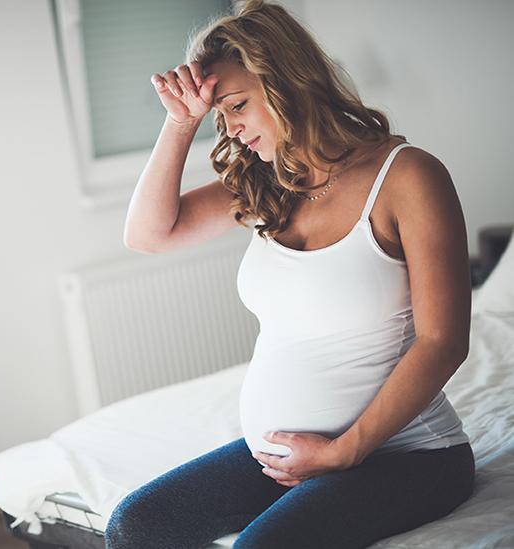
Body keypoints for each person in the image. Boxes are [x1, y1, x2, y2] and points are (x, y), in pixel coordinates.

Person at [107, 1, 475, 547]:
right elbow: (147, 235)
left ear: (287, 83)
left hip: (409, 455)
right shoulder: (266, 181)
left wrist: (341, 452)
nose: (230, 128)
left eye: (237, 105)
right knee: (136, 526)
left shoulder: (408, 177)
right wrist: (180, 123)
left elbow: (445, 342)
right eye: (219, 115)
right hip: (286, 456)